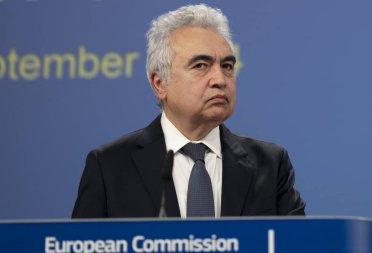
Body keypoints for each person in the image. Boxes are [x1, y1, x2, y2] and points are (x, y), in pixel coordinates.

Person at [72, 4, 305, 218]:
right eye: (201, 66)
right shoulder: (110, 166)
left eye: (227, 66)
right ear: (159, 83)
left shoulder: (271, 165)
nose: (220, 79)